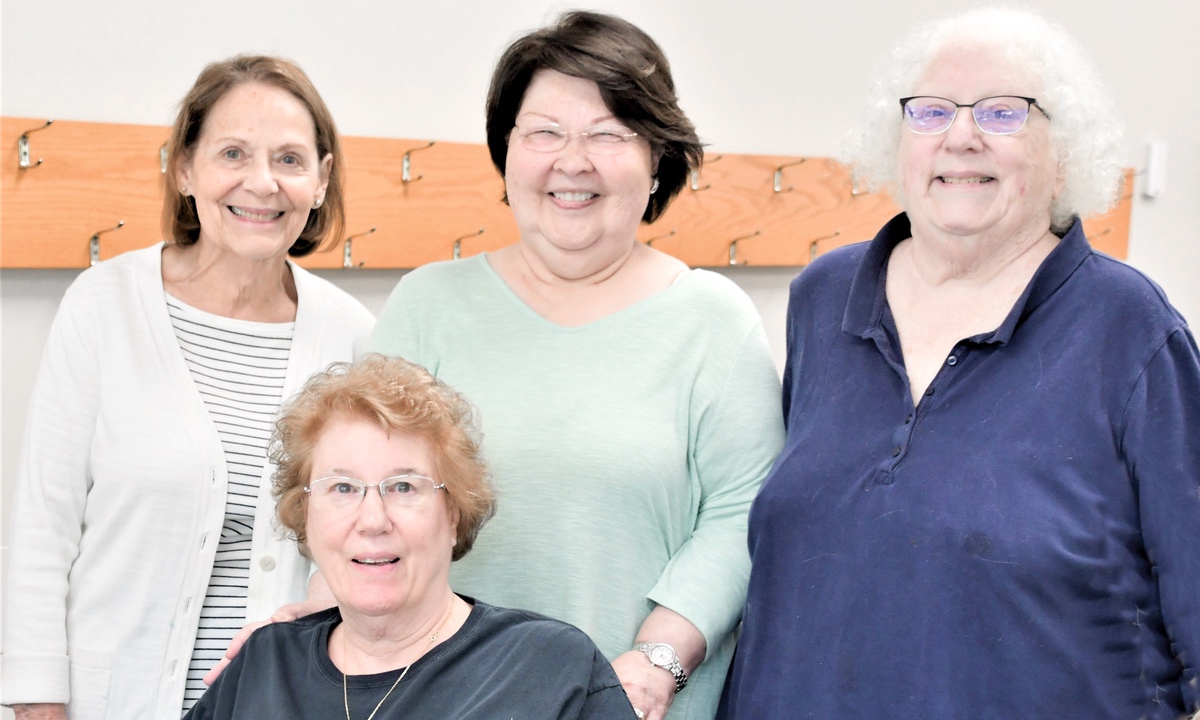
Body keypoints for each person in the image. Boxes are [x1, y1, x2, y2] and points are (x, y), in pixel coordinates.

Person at [719, 8, 1200, 720]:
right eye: (932, 111)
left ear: (1062, 153)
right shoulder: (824, 299)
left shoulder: (1129, 329)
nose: (962, 136)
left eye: (1005, 113)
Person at [368, 11, 783, 720]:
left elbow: (745, 515)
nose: (573, 161)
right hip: (436, 700)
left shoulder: (715, 321)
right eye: (545, 133)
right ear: (507, 153)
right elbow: (359, 492)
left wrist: (658, 660)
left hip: (635, 704)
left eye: (608, 134)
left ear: (656, 161)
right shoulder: (426, 306)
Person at [1, 55, 374, 719]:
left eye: (289, 159)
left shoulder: (351, 335)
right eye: (233, 153)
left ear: (321, 181)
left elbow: (362, 540)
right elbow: (42, 526)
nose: (262, 183)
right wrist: (36, 701)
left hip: (286, 702)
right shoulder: (104, 306)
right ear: (183, 168)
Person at [184, 354, 637, 719]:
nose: (373, 519)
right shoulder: (264, 664)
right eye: (343, 488)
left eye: (403, 487)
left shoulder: (547, 666)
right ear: (305, 515)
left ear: (453, 511)